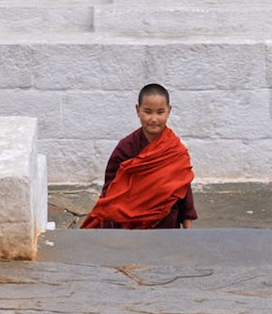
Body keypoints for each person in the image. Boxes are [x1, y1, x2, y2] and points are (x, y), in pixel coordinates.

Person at [81, 82, 197, 230]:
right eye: (148, 112)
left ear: (169, 111)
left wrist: (188, 230)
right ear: (137, 110)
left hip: (166, 224)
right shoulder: (126, 148)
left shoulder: (175, 150)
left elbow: (183, 190)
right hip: (129, 225)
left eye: (160, 112)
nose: (153, 119)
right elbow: (111, 190)